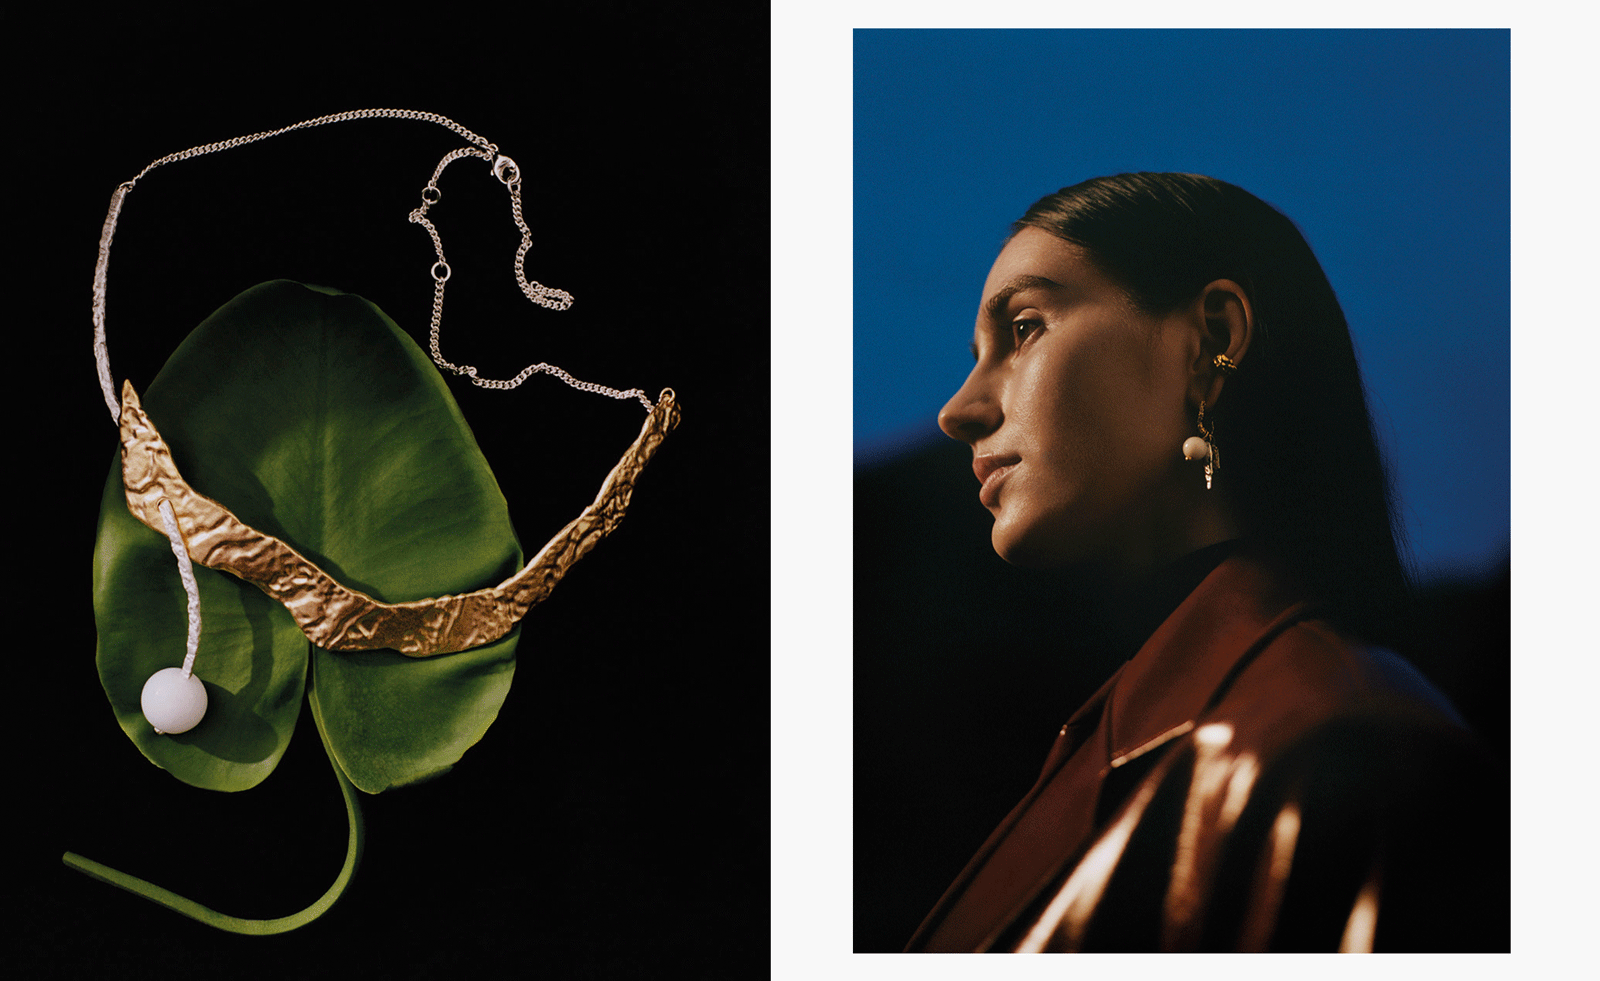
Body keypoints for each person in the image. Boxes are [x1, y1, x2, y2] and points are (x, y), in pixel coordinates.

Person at [904, 173, 1506, 952]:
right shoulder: (1112, 733)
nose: (959, 410)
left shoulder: (1335, 748)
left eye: (1023, 329)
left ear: (1213, 341)